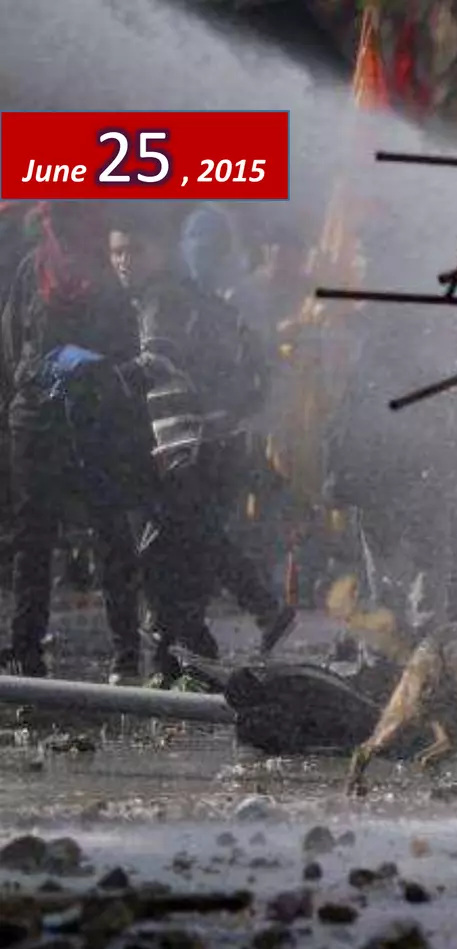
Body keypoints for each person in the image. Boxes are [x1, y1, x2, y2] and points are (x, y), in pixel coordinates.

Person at [109, 217, 294, 682]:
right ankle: (186, 655)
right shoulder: (199, 299)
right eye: (116, 253)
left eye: (133, 250)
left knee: (173, 551)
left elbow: (158, 357)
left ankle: (250, 617)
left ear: (157, 252)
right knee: (189, 547)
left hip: (192, 445)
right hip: (209, 441)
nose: (124, 262)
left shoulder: (161, 297)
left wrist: (100, 377)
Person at [0, 202, 151, 681]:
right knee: (36, 540)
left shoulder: (103, 274)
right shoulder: (36, 268)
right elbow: (13, 342)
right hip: (43, 421)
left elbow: (128, 350)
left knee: (108, 537)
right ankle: (27, 649)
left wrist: (90, 376)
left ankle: (126, 654)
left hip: (90, 424)